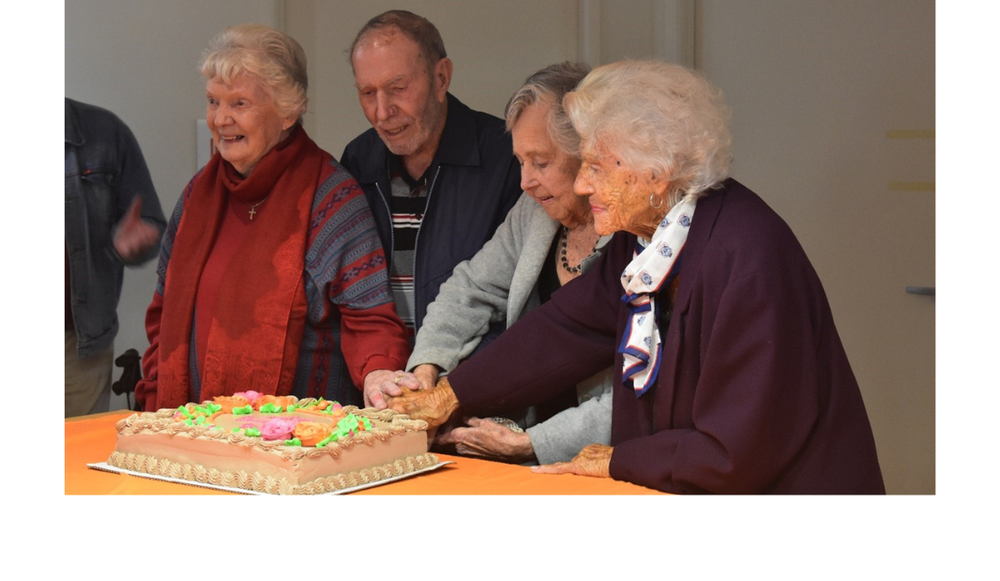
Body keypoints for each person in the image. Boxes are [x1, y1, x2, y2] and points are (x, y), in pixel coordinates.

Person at [387, 60, 886, 494]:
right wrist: (448, 396)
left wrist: (616, 460)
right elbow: (566, 328)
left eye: (597, 167)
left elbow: (738, 449)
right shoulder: (649, 236)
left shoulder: (748, 257)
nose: (583, 184)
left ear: (657, 171)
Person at [134, 24, 409, 412]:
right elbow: (163, 315)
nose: (221, 119)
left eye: (239, 103)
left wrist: (379, 373)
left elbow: (368, 320)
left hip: (299, 438)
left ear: (287, 112)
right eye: (213, 101)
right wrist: (154, 401)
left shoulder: (331, 199)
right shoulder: (197, 195)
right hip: (190, 430)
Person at [370, 62, 614, 465]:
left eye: (540, 162)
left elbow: (642, 395)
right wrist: (427, 367)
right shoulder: (535, 211)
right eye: (520, 161)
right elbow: (471, 288)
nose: (524, 181)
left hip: (604, 461)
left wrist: (533, 443)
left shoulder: (637, 232)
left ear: (590, 154)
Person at [339, 10, 522, 368]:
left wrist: (441, 380)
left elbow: (520, 304)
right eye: (368, 93)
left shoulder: (507, 158)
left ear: (441, 78)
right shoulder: (357, 161)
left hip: (470, 384)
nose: (382, 112)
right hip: (381, 384)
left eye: (397, 88)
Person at [65, 98, 166, 417]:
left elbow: (149, 222)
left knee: (76, 446)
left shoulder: (105, 132)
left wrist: (134, 243)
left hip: (78, 346)